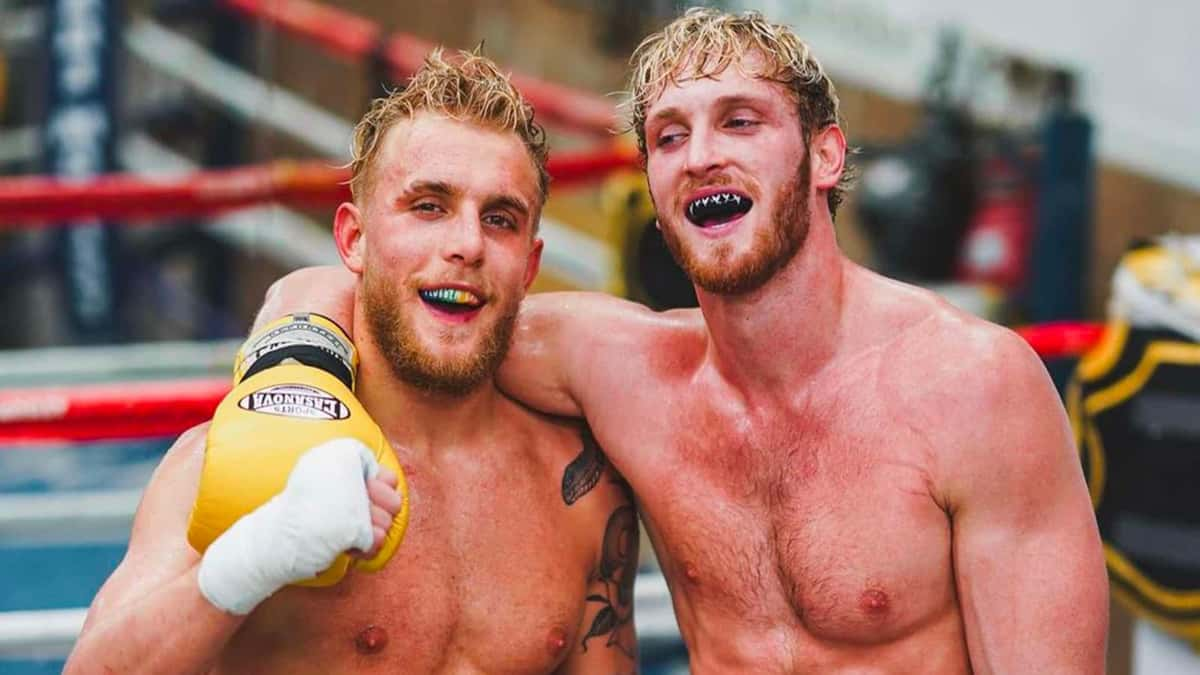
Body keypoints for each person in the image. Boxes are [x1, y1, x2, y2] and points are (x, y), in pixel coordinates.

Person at [228, 8, 1110, 673]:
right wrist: (293, 366)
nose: (701, 156)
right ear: (652, 185)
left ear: (826, 156)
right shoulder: (623, 372)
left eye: (741, 121)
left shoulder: (973, 387)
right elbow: (379, 291)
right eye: (669, 136)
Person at [64, 49, 638, 675]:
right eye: (429, 206)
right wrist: (249, 560)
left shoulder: (580, 492)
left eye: (499, 220)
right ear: (354, 240)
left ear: (528, 266)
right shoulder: (224, 462)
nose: (467, 244)